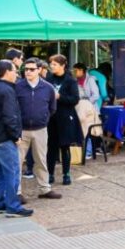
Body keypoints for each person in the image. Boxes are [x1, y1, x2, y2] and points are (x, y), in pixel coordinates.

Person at [0, 60, 33, 218]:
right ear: (6, 72)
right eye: (15, 71)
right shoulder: (7, 90)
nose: (17, 74)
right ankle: (13, 206)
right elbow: (10, 116)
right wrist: (15, 135)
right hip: (4, 138)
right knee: (12, 171)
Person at [15, 58, 62, 200]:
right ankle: (16, 192)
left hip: (40, 129)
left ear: (39, 70)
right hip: (21, 130)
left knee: (41, 160)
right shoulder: (17, 86)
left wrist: (43, 119)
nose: (28, 71)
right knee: (17, 162)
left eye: (31, 69)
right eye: (26, 69)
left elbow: (52, 108)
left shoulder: (48, 88)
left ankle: (45, 189)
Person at [46, 54, 83, 185]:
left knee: (65, 147)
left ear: (62, 66)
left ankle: (66, 174)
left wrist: (59, 96)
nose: (52, 66)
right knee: (51, 147)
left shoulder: (70, 80)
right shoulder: (49, 78)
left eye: (55, 64)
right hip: (51, 117)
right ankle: (49, 174)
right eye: (51, 64)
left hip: (66, 117)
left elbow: (75, 99)